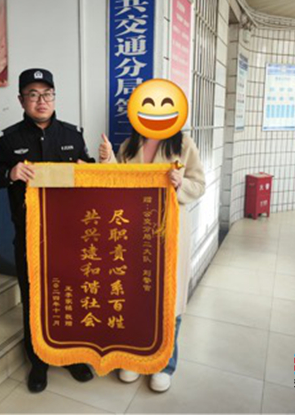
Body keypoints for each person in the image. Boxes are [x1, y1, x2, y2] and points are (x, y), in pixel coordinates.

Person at [0, 68, 95, 393]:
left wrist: (92, 168)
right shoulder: (8, 140)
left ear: (54, 97)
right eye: (33, 95)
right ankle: (39, 362)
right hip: (30, 236)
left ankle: (71, 356)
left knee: (70, 296)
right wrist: (10, 173)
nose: (41, 101)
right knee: (34, 298)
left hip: (70, 238)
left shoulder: (73, 136)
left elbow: (88, 176)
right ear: (21, 100)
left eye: (47, 94)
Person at [98, 130, 205, 392]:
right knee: (136, 299)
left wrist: (181, 183)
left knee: (169, 299)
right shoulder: (129, 145)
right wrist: (108, 158)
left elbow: (199, 185)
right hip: (136, 231)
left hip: (170, 231)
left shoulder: (183, 144)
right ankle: (135, 358)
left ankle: (164, 365)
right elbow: (117, 181)